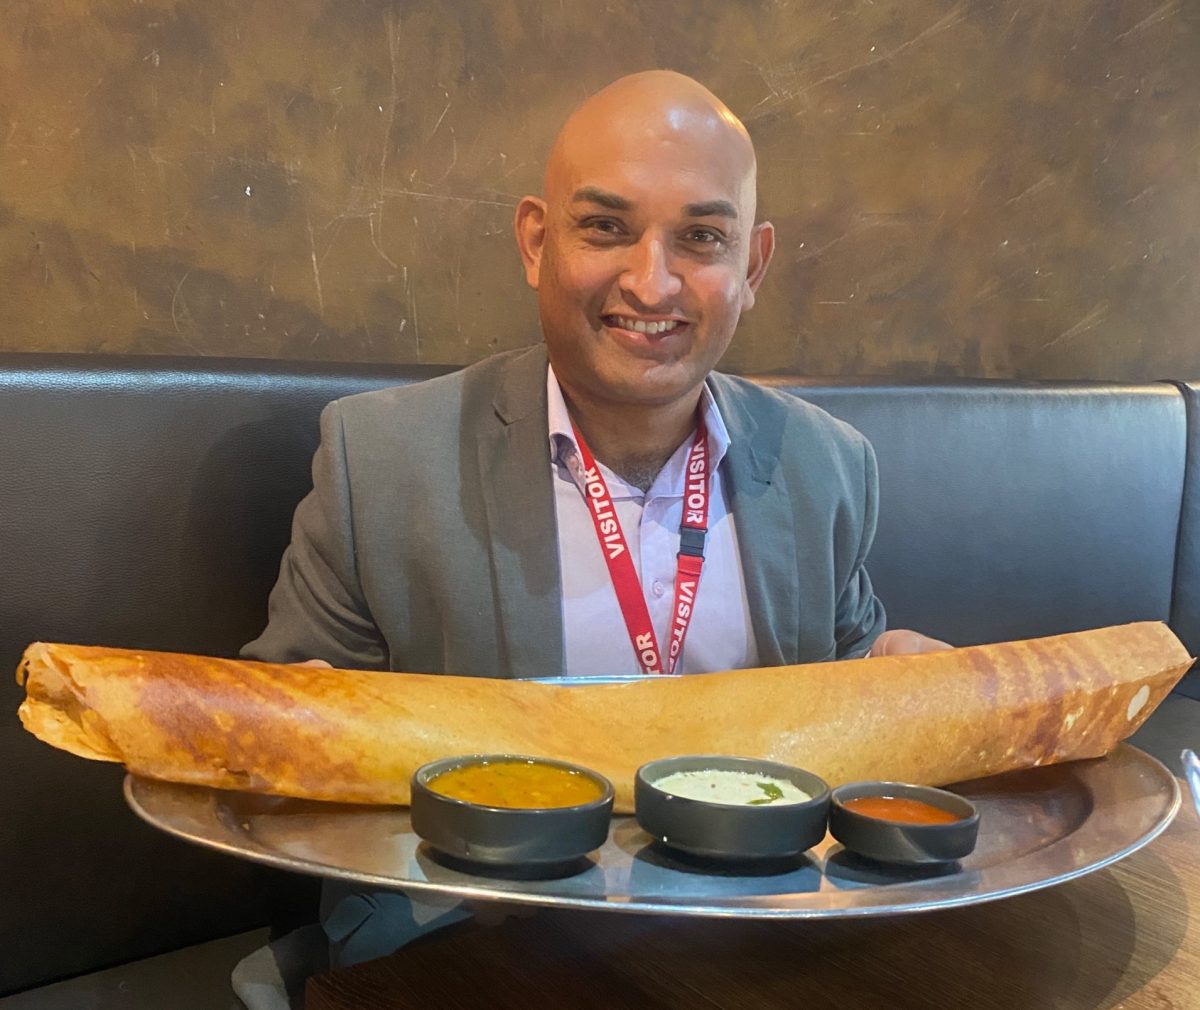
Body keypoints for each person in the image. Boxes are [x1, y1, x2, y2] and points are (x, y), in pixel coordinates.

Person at [233, 70, 947, 1007]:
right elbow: (273, 771)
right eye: (606, 226)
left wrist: (893, 678)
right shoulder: (380, 460)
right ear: (537, 241)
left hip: (760, 935)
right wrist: (293, 736)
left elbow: (845, 695)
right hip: (469, 934)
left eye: (702, 237)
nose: (652, 281)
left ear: (754, 266)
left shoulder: (830, 466)